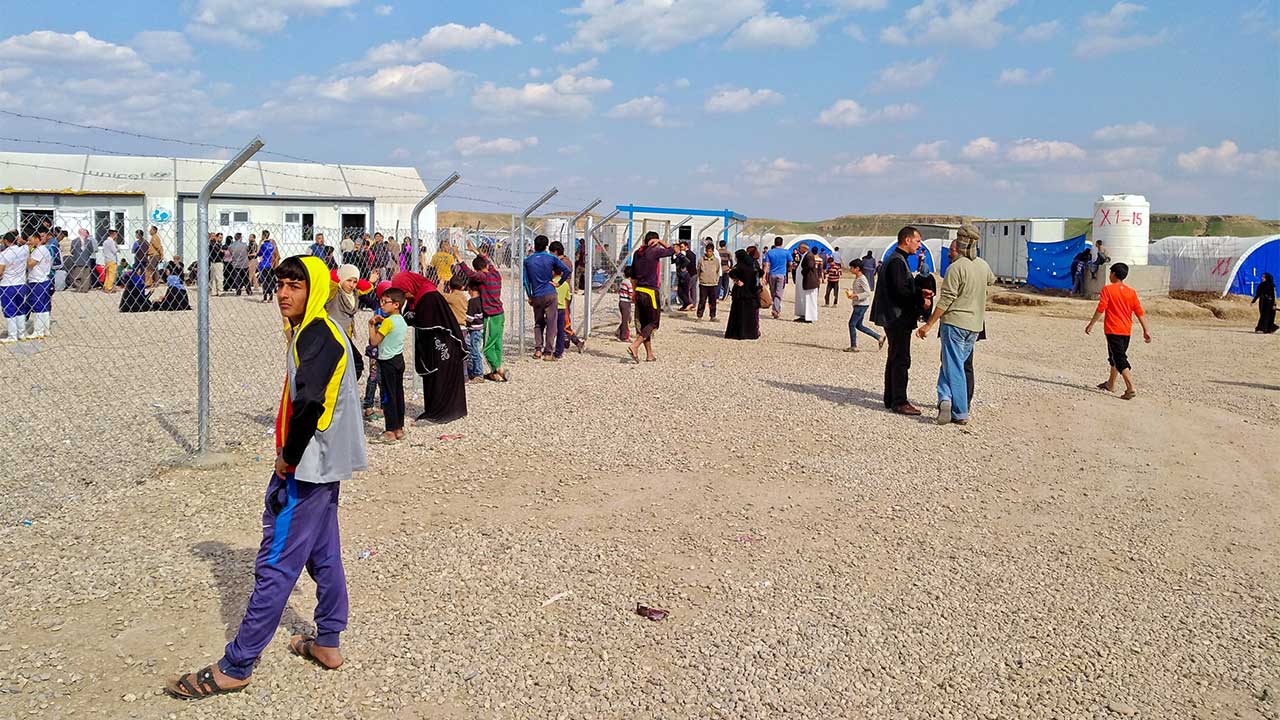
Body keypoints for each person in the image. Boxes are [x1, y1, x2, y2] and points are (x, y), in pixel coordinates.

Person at [165, 255, 366, 700]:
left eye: (295, 285)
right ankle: (329, 642)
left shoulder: (316, 333)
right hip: (324, 468)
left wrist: (288, 459)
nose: (283, 293)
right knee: (324, 555)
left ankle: (237, 665)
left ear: (314, 289)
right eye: (280, 284)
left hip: (306, 470)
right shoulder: (326, 328)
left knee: (275, 563)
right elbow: (355, 364)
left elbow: (311, 401)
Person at [917, 225, 996, 426]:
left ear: (958, 245)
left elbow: (946, 300)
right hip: (975, 325)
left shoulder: (955, 268)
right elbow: (991, 281)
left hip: (955, 324)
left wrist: (928, 324)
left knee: (954, 366)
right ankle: (944, 399)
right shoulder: (982, 265)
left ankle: (959, 411)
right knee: (954, 364)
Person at [389, 272, 468, 423]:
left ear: (409, 286)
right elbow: (410, 316)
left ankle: (440, 413)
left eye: (404, 292)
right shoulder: (419, 296)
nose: (404, 297)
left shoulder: (428, 297)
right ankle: (438, 410)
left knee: (440, 377)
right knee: (434, 378)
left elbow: (424, 322)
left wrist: (409, 316)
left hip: (442, 346)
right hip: (436, 346)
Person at [872, 226, 934, 416]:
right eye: (917, 241)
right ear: (907, 240)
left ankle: (890, 398)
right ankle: (899, 401)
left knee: (894, 357)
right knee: (901, 359)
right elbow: (900, 292)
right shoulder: (897, 261)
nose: (919, 245)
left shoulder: (897, 260)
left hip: (894, 316)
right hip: (897, 317)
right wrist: (920, 300)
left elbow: (902, 287)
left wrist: (919, 291)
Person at [1085, 262, 1152, 400]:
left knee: (1119, 358)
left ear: (1113, 274)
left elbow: (1101, 308)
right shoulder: (1131, 292)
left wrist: (1091, 324)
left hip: (1112, 329)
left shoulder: (1108, 289)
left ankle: (1130, 387)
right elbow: (1139, 312)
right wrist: (1146, 330)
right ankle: (1111, 384)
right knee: (1114, 356)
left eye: (1110, 272)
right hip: (1126, 331)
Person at [452, 253, 508, 382]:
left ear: (477, 269)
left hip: (491, 316)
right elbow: (487, 260)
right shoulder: (495, 274)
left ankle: (499, 369)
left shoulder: (484, 277)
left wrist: (460, 260)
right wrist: (474, 250)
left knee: (487, 347)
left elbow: (470, 274)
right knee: (497, 343)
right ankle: (496, 373)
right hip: (500, 314)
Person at [626, 231, 675, 363]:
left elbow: (634, 276)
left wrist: (634, 292)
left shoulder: (637, 253)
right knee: (653, 323)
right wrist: (660, 242)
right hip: (650, 292)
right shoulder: (654, 251)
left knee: (644, 325)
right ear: (653, 241)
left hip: (639, 290)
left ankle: (649, 354)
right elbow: (672, 250)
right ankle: (635, 346)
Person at [368, 288, 408, 443]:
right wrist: (383, 322)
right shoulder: (400, 320)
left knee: (387, 396)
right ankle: (399, 428)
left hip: (387, 361)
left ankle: (390, 430)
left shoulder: (388, 323)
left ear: (396, 304)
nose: (382, 305)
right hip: (398, 359)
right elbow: (392, 327)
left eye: (385, 302)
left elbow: (374, 341)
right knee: (398, 393)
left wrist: (372, 325)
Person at [522, 235, 571, 361]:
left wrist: (530, 295)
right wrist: (559, 283)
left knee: (538, 323)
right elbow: (566, 270)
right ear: (546, 246)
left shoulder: (528, 260)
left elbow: (526, 281)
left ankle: (538, 349)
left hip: (537, 294)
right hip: (550, 293)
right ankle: (548, 352)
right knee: (551, 323)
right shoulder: (551, 258)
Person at [843, 262, 882, 353]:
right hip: (858, 304)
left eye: (852, 268)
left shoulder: (862, 279)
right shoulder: (858, 278)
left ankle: (854, 346)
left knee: (852, 324)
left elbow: (867, 292)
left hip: (861, 305)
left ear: (857, 268)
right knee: (859, 325)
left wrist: (856, 296)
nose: (850, 269)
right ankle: (879, 337)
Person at [724, 249, 761, 341]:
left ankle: (737, 333)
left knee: (738, 314)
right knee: (750, 315)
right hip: (752, 293)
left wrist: (737, 280)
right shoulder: (753, 265)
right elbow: (761, 273)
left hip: (740, 294)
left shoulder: (739, 267)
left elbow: (731, 273)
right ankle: (751, 333)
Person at [0, 231, 29, 341]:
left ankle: (12, 335)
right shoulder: (24, 250)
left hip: (7, 284)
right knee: (20, 308)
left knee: (9, 309)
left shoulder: (3, 254)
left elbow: (0, 271)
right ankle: (21, 333)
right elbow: (27, 243)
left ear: (6, 241)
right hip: (21, 283)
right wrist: (21, 240)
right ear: (17, 240)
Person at [24, 231, 53, 339]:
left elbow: (30, 264)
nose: (28, 243)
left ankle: (38, 330)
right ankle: (45, 328)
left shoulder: (38, 250)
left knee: (37, 306)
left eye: (30, 240)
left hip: (37, 281)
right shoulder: (45, 250)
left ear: (37, 239)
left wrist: (26, 255)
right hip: (44, 279)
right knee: (44, 306)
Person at [464, 280, 487, 383]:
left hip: (474, 329)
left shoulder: (472, 302)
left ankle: (478, 373)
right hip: (480, 328)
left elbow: (469, 318)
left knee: (475, 351)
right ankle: (473, 371)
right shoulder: (482, 300)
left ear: (470, 290)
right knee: (473, 349)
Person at [762, 237, 791, 319]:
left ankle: (776, 308)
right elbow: (790, 263)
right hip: (781, 274)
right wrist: (789, 270)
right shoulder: (786, 252)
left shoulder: (770, 252)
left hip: (772, 274)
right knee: (779, 293)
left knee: (773, 292)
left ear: (774, 243)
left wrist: (764, 276)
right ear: (782, 243)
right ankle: (776, 310)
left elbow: (766, 265)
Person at [793, 243, 820, 323]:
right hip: (804, 282)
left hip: (809, 282)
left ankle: (809, 317)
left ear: (804, 248)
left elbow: (810, 266)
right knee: (804, 299)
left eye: (800, 248)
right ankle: (804, 315)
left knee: (809, 299)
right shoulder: (805, 255)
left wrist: (802, 272)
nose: (799, 250)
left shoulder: (809, 256)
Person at [696, 240, 722, 321]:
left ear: (713, 251)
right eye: (707, 251)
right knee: (702, 301)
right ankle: (699, 316)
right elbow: (698, 270)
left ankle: (712, 316)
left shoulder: (716, 261)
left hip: (713, 284)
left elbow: (717, 270)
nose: (708, 253)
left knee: (713, 301)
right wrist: (700, 279)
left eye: (710, 251)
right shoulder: (701, 260)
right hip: (703, 284)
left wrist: (716, 280)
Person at [67, 228, 95, 293]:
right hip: (86, 260)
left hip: (78, 260)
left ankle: (79, 288)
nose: (86, 234)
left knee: (76, 277)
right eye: (85, 232)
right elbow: (91, 250)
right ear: (82, 233)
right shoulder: (88, 241)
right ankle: (85, 289)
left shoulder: (74, 241)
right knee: (86, 276)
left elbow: (71, 251)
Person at [257, 230, 276, 302]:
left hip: (263, 264)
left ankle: (265, 297)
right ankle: (270, 297)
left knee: (264, 281)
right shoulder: (272, 245)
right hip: (270, 265)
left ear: (263, 236)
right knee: (270, 280)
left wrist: (259, 243)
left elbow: (259, 253)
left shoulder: (263, 245)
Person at [617, 265, 634, 342]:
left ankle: (619, 331)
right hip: (626, 303)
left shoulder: (623, 282)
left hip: (621, 302)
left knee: (627, 318)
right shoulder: (629, 283)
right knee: (625, 320)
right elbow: (630, 294)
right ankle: (624, 336)